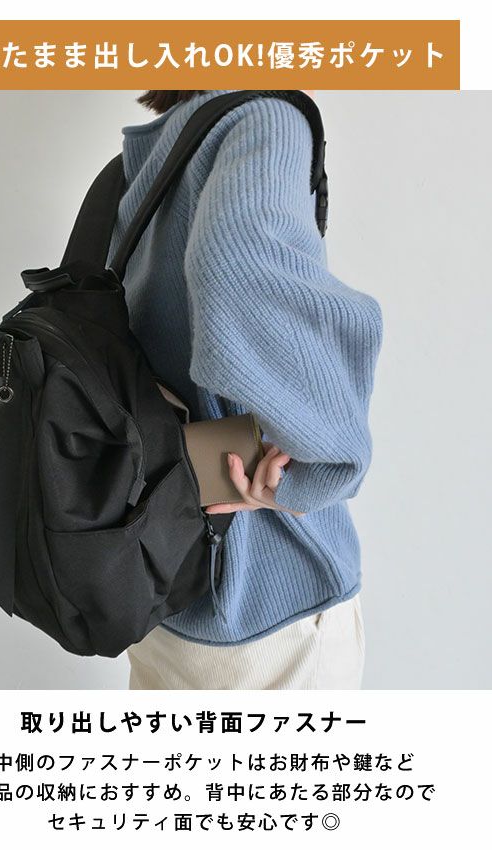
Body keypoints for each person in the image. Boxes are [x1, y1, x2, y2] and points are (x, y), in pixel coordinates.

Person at [105, 90, 383, 689]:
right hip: (267, 600)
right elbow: (235, 263)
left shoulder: (159, 151)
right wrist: (324, 461)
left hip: (163, 584)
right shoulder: (264, 118)